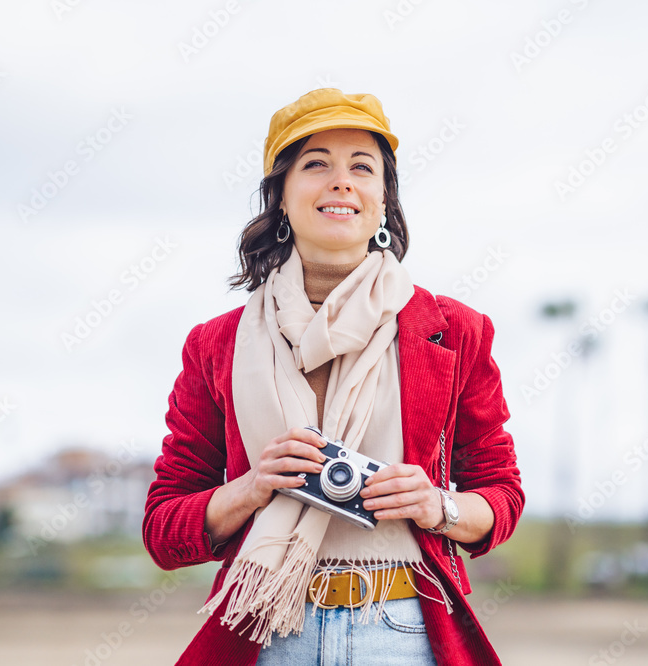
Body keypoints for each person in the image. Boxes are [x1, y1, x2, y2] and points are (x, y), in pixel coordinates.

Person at [142, 88, 524, 666]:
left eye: (362, 167)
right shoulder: (215, 344)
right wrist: (251, 487)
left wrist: (435, 504)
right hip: (264, 628)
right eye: (316, 164)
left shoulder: (455, 331)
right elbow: (164, 531)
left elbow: (501, 494)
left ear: (382, 201)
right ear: (282, 197)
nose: (341, 181)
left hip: (403, 627)